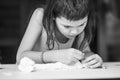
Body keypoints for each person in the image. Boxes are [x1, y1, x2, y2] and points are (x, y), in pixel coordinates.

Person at [16, 0, 103, 68]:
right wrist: (54, 56)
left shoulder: (79, 25)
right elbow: (20, 57)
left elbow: (85, 52)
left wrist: (92, 59)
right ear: (52, 16)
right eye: (67, 26)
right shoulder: (41, 16)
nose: (75, 32)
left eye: (81, 24)